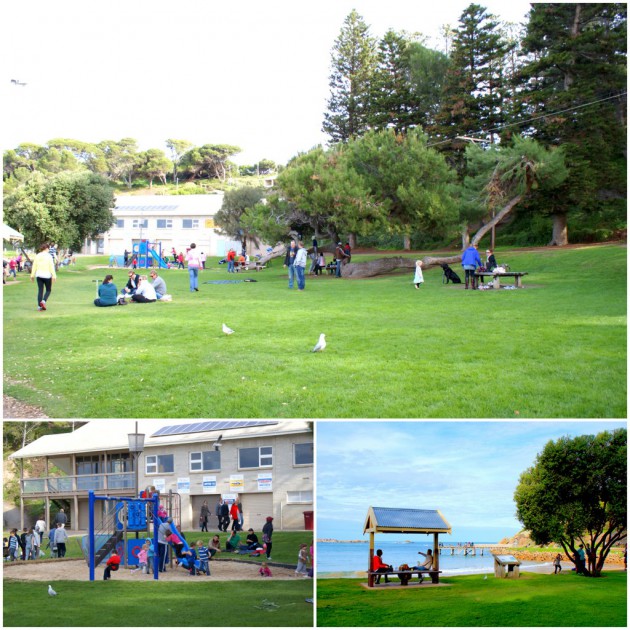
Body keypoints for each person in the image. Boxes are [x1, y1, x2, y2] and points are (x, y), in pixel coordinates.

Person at [31, 243, 57, 311]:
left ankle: (39, 307)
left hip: (39, 275)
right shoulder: (49, 256)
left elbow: (34, 266)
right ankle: (43, 301)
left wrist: (32, 275)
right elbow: (51, 266)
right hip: (47, 275)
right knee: (48, 290)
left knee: (40, 291)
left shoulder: (37, 256)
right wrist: (54, 275)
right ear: (46, 248)